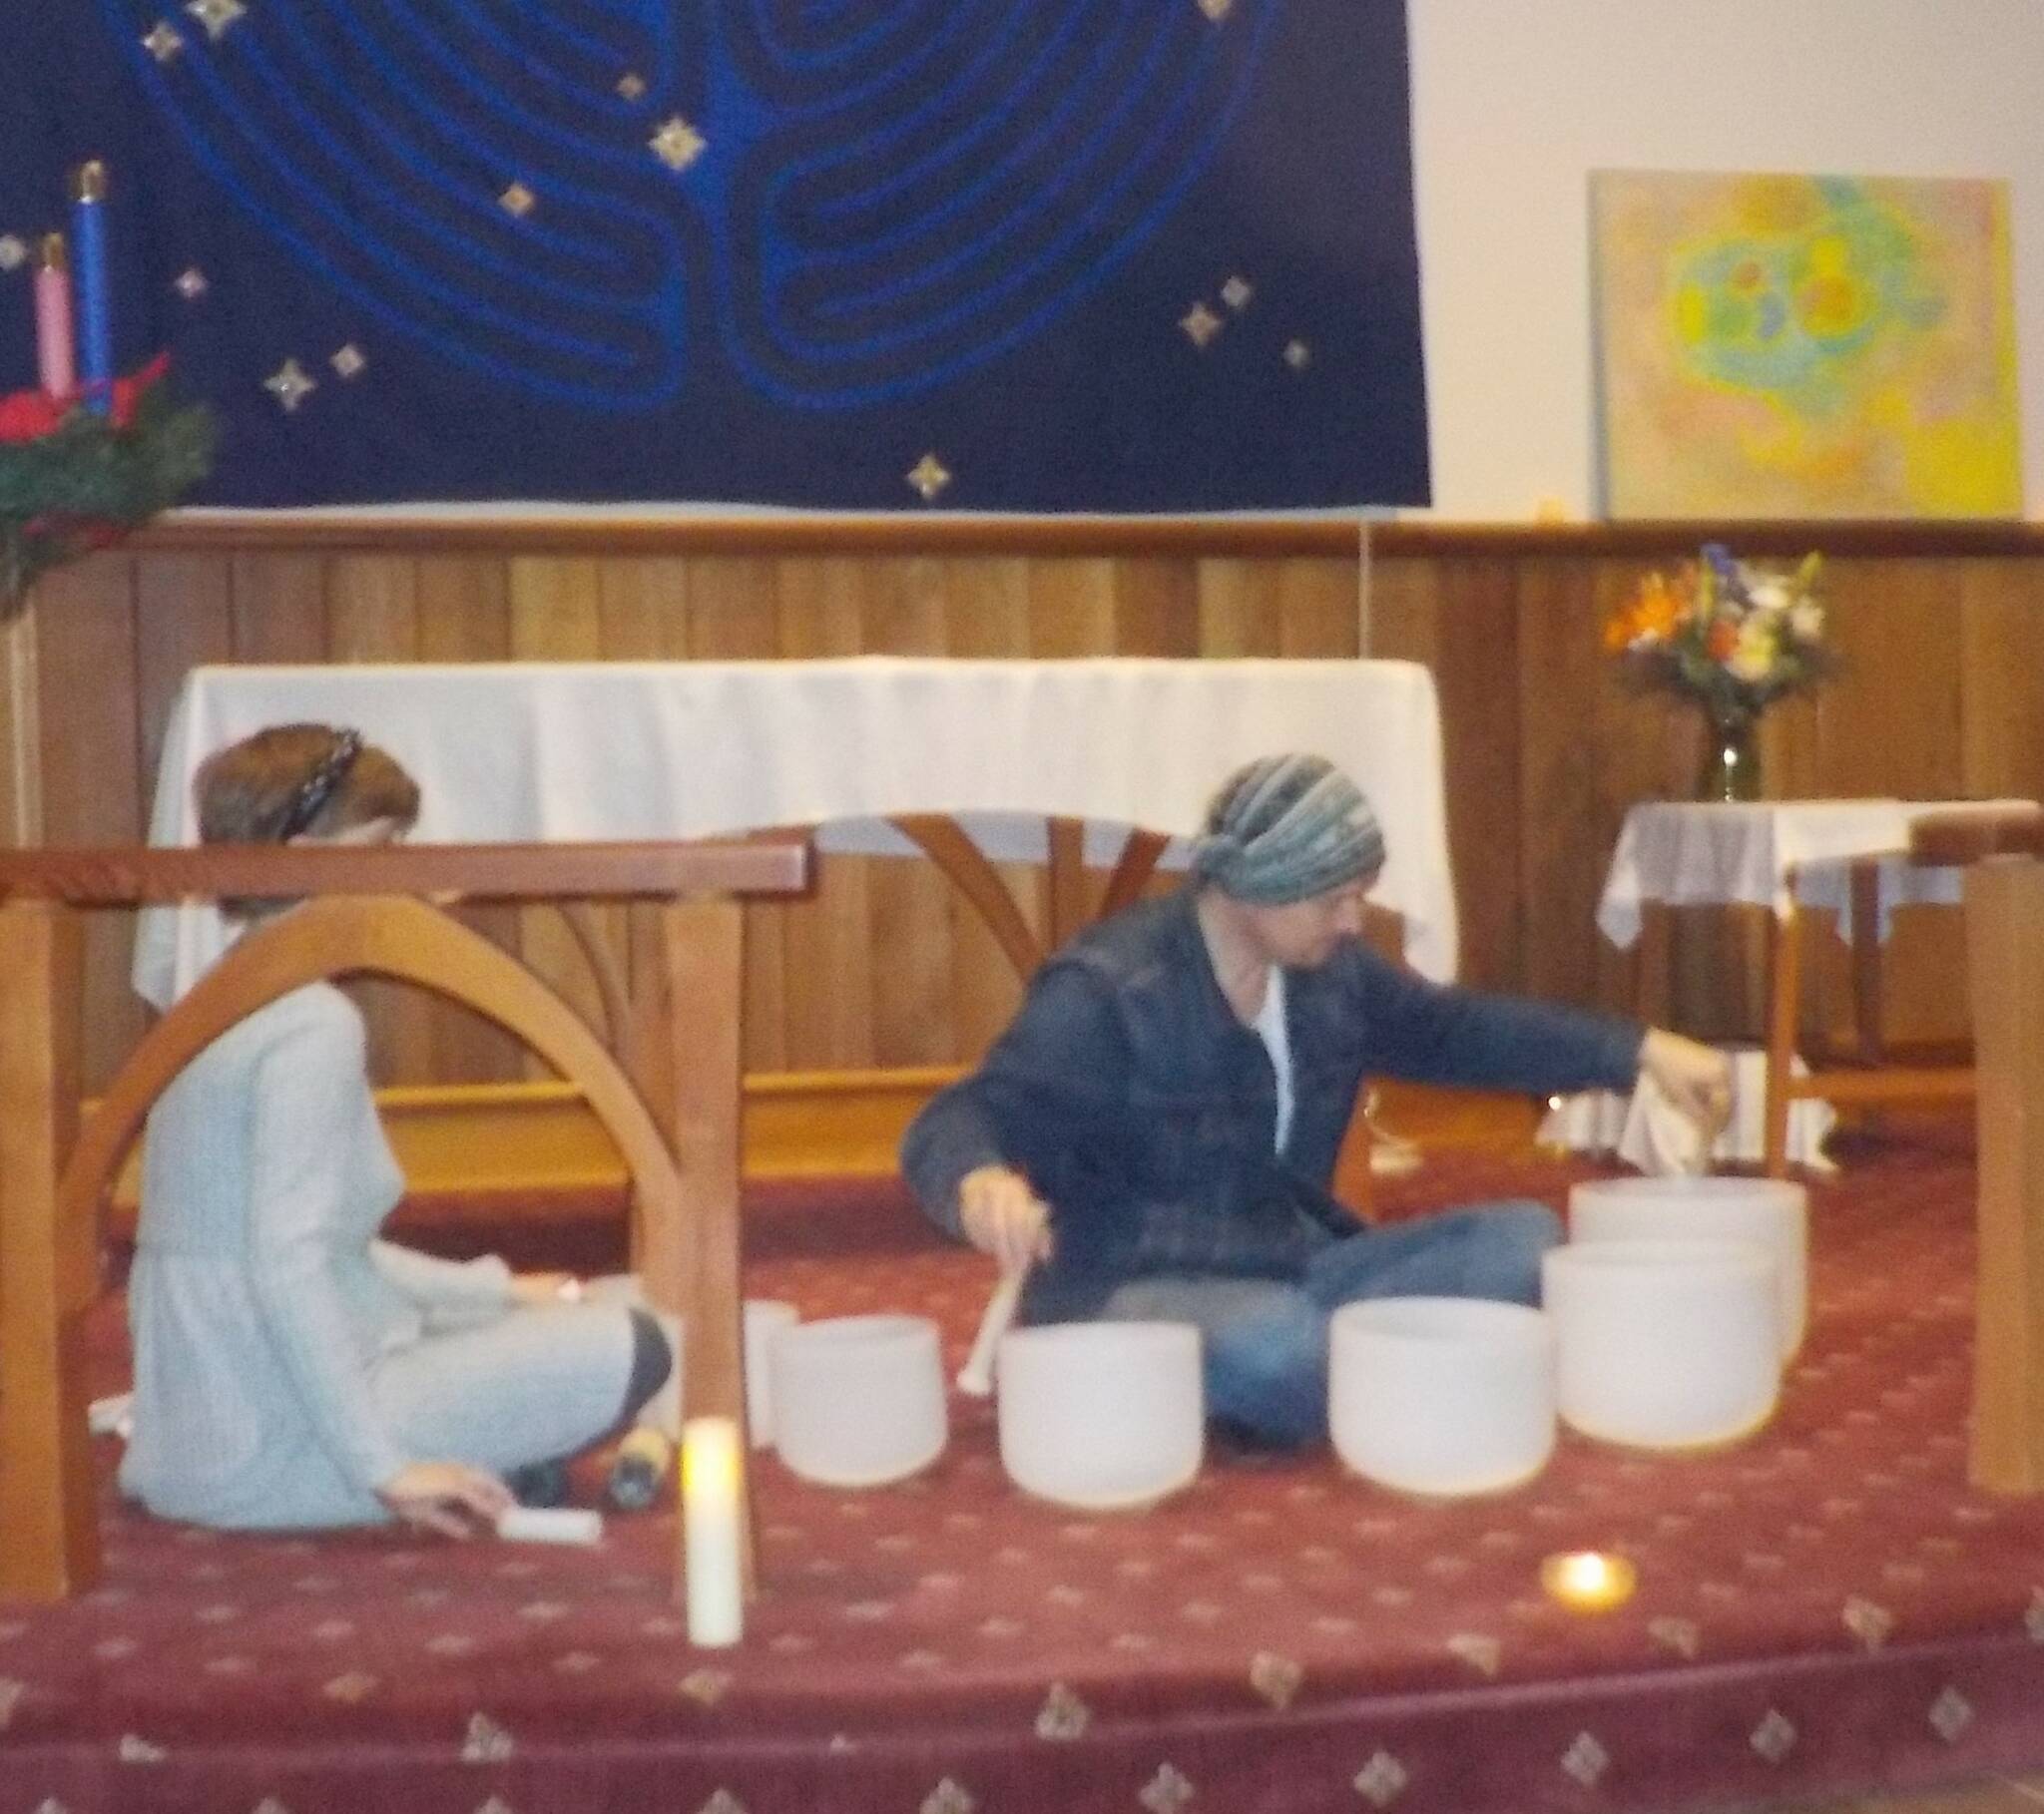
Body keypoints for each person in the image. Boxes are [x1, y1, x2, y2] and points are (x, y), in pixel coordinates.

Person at [901, 752, 1732, 1448]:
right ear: (1252, 889)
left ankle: (1354, 1372)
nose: (1352, 921)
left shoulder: (1327, 973)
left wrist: (1639, 1050)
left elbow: (1455, 1031)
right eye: (1332, 899)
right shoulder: (1109, 990)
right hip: (1132, 1281)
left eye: (1359, 894)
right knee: (1278, 1350)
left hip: (1294, 1263)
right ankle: (1374, 1369)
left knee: (1528, 1244)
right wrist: (980, 1181)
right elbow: (963, 1115)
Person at [120, 723, 672, 1536]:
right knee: (643, 1338)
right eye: (385, 848)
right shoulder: (309, 1023)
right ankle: (410, 1475)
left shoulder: (225, 992)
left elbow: (329, 1247)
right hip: (270, 1439)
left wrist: (494, 1292)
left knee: (611, 1295)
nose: (406, 871)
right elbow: (287, 1266)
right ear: (308, 858)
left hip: (213, 1416)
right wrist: (384, 1469)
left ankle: (502, 1458)